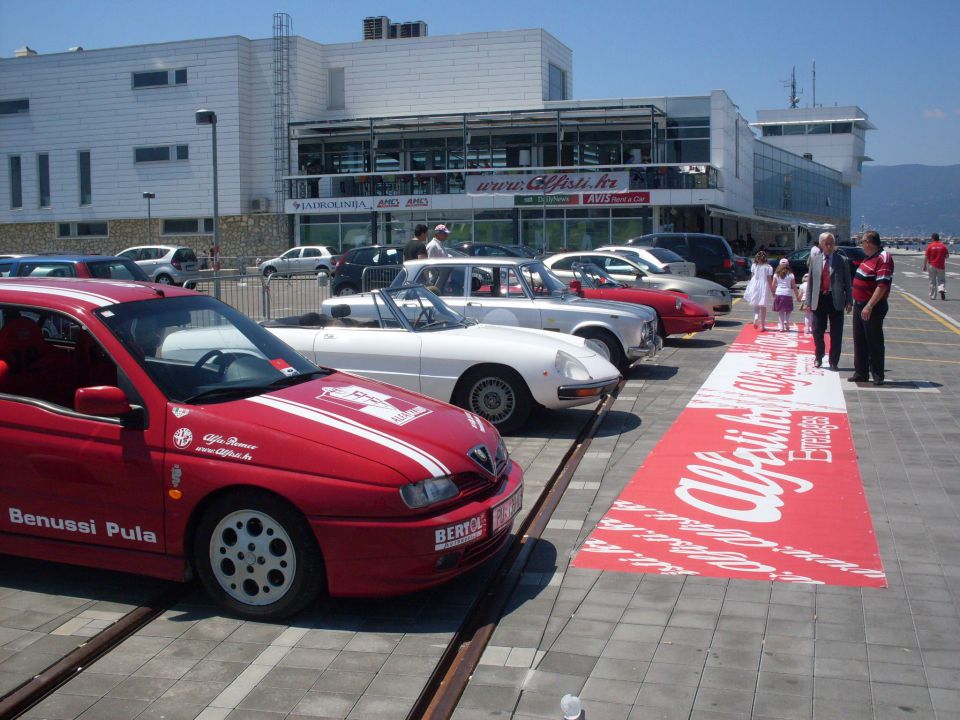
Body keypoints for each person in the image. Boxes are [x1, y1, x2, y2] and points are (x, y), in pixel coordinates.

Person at [850, 230, 894, 385]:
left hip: (872, 306)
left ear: (869, 243)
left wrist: (869, 306)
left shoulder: (884, 258)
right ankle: (861, 372)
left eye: (862, 242)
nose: (861, 245)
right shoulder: (869, 258)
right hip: (859, 304)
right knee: (859, 339)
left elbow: (882, 285)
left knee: (873, 340)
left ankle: (877, 374)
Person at [806, 232, 852, 370]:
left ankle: (834, 361)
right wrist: (808, 301)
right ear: (821, 245)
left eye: (832, 243)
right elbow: (810, 282)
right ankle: (819, 356)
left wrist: (849, 300)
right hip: (819, 299)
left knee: (836, 333)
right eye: (827, 243)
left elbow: (847, 282)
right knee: (817, 331)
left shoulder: (842, 260)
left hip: (836, 300)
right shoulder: (814, 260)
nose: (830, 246)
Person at [743, 250, 773, 331]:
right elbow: (769, 280)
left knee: (756, 303)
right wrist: (773, 290)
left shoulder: (754, 266)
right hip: (764, 285)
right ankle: (762, 326)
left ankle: (756, 316)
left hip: (755, 284)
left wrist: (750, 286)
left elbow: (752, 277)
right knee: (763, 306)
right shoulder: (769, 267)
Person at [771, 258, 800, 331]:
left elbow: (773, 285)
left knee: (780, 311)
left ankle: (781, 327)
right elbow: (794, 286)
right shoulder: (791, 275)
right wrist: (797, 295)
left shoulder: (776, 274)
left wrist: (773, 293)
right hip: (788, 294)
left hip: (779, 293)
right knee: (789, 309)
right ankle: (786, 320)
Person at [922, 232, 949, 300]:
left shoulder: (930, 246)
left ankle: (933, 296)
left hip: (932, 265)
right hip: (941, 265)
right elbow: (947, 256)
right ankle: (941, 289)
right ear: (938, 238)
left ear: (932, 238)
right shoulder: (943, 246)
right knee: (941, 280)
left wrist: (924, 265)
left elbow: (926, 257)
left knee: (932, 281)